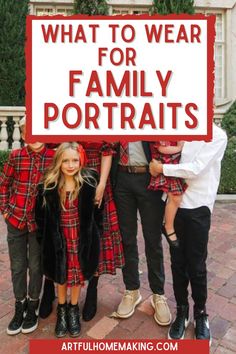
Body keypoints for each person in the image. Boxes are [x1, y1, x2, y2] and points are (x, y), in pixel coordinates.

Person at [149, 123, 227, 343]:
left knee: (196, 264)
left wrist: (160, 169)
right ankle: (182, 310)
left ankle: (201, 313)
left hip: (198, 208)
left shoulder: (217, 136)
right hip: (175, 206)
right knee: (177, 262)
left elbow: (195, 169)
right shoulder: (185, 130)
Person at [39, 142, 124, 322]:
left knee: (89, 239)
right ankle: (50, 290)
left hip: (92, 177)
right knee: (57, 241)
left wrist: (101, 184)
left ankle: (89, 293)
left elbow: (107, 149)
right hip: (62, 172)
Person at [35, 142, 103, 337]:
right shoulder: (48, 185)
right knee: (61, 275)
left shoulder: (89, 183)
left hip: (80, 240)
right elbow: (40, 217)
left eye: (74, 160)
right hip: (59, 240)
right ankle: (62, 309)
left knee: (76, 276)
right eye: (66, 161)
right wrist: (43, 240)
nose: (71, 165)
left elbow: (98, 213)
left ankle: (73, 309)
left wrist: (94, 236)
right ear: (58, 162)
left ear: (81, 160)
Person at [0, 116, 55, 335]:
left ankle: (33, 305)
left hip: (38, 223)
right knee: (18, 265)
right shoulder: (16, 157)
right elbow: (4, 184)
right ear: (23, 135)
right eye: (28, 132)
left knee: (36, 265)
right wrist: (5, 209)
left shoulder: (52, 158)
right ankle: (19, 304)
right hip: (15, 219)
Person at [111, 141, 171, 326]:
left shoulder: (150, 113)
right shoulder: (112, 113)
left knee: (152, 240)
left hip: (149, 177)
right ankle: (132, 290)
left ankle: (158, 294)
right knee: (127, 238)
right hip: (121, 178)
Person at [148, 141, 187, 248]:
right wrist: (179, 148)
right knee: (175, 197)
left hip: (174, 167)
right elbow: (162, 149)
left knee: (175, 198)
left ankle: (168, 225)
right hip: (165, 165)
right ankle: (168, 226)